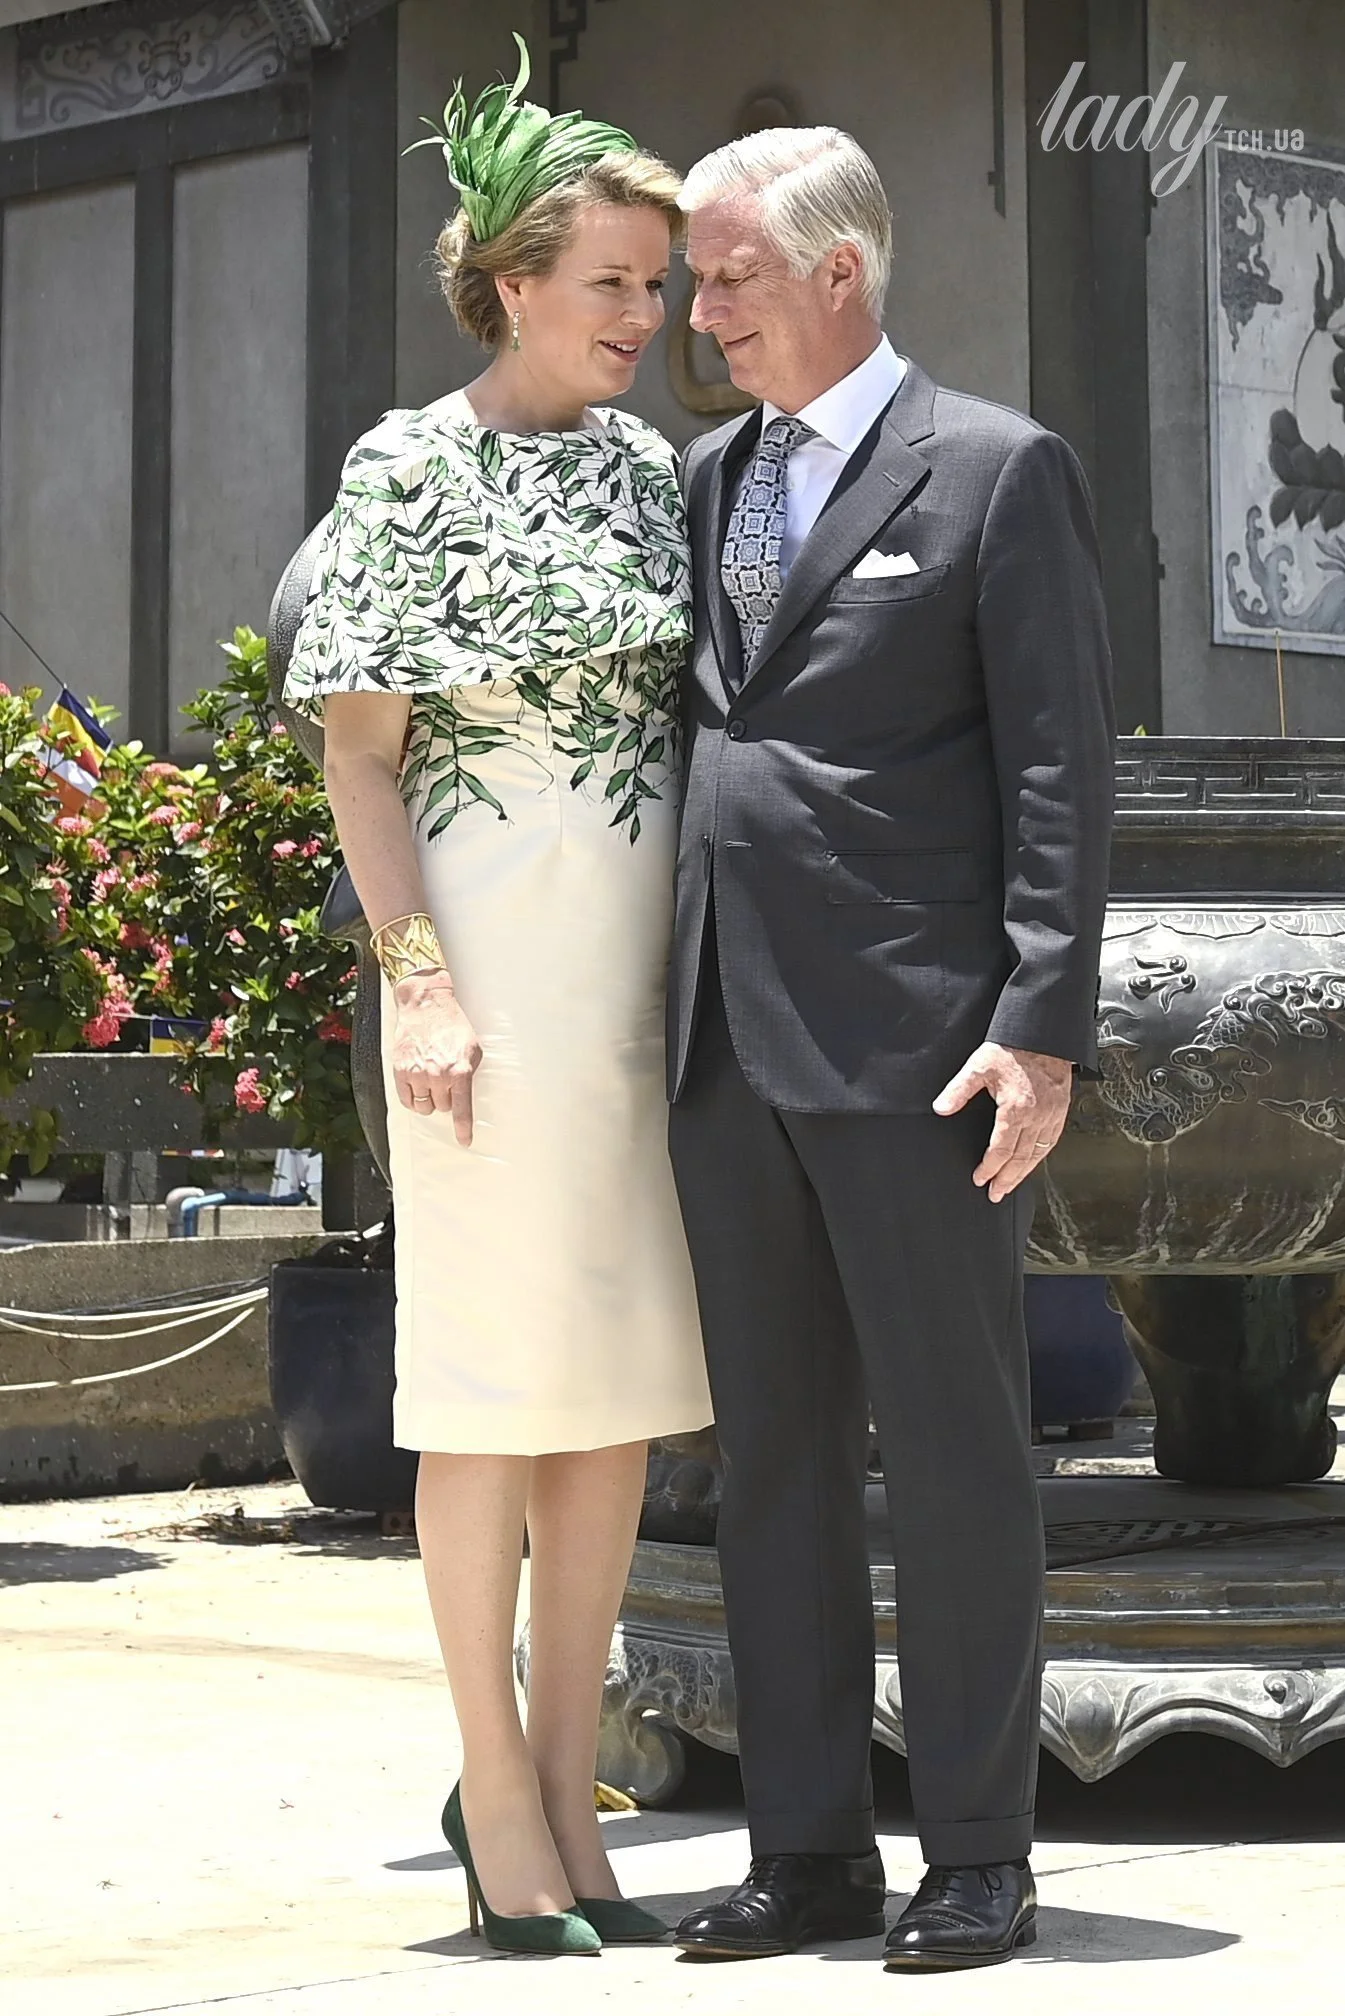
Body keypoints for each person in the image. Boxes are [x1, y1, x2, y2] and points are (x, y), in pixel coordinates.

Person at [666, 127, 1115, 1971]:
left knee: (952, 1455)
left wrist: (1040, 1026)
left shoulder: (998, 471)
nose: (701, 315)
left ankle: (982, 1854)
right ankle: (809, 1852)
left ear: (838, 274)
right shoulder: (707, 479)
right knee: (767, 1459)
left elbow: (1063, 767)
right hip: (722, 1040)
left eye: (728, 277)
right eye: (692, 279)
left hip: (923, 1049)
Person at [282, 41, 711, 1959]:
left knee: (609, 1397)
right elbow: (361, 762)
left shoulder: (653, 475)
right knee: (483, 1398)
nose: (650, 314)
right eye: (614, 280)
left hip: (639, 1002)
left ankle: (556, 1766)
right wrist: (421, 993)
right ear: (516, 281)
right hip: (481, 999)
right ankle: (492, 1782)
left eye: (660, 281)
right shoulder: (402, 465)